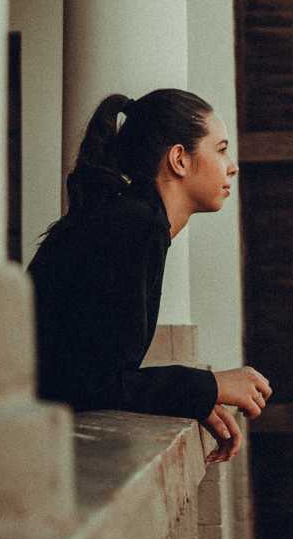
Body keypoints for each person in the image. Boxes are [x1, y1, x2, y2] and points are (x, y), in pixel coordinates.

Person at [27, 88, 271, 465]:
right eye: (221, 150)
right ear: (179, 160)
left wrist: (191, 397)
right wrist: (208, 385)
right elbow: (89, 382)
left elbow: (94, 371)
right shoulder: (133, 227)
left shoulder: (132, 221)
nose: (232, 166)